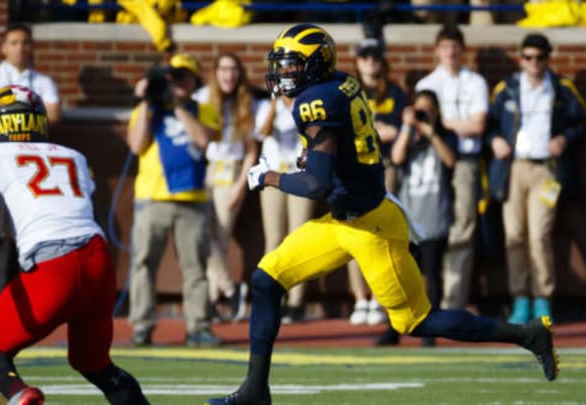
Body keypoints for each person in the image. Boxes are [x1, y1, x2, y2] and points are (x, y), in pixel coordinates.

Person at [204, 23, 558, 405]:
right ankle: (256, 391)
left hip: (371, 227)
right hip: (343, 220)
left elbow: (316, 186)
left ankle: (527, 334)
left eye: (291, 65)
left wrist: (268, 176)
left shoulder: (315, 102)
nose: (283, 73)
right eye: (283, 65)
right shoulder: (341, 82)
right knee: (266, 279)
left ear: (314, 65)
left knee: (415, 321)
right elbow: (338, 152)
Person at [0, 85, 149, 405]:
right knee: (96, 364)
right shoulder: (73, 157)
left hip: (53, 267)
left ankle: (20, 395)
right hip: (98, 260)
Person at [488, 33, 586, 323]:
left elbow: (581, 122)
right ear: (520, 59)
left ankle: (543, 297)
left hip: (546, 168)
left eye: (540, 58)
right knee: (514, 235)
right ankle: (520, 298)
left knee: (539, 234)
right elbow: (490, 124)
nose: (534, 63)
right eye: (528, 57)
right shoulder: (506, 88)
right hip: (513, 167)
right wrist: (495, 140)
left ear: (547, 59)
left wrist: (564, 139)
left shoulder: (561, 88)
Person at [127, 53, 222, 347]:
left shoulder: (203, 109)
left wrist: (179, 107)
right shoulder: (149, 110)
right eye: (171, 77)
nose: (176, 82)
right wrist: (146, 102)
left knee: (195, 267)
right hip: (152, 198)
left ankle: (198, 327)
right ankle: (142, 326)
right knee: (143, 264)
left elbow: (204, 139)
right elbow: (136, 144)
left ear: (194, 81)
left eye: (182, 76)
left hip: (191, 199)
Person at [415, 24, 489, 312]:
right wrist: (458, 126)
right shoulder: (427, 84)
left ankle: (452, 302)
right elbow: (422, 128)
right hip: (431, 162)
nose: (450, 53)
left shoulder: (475, 82)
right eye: (445, 47)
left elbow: (478, 126)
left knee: (462, 228)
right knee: (429, 230)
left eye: (455, 47)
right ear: (437, 51)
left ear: (462, 50)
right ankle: (428, 300)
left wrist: (442, 124)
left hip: (465, 161)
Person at [376, 89, 458, 347]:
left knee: (431, 275)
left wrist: (431, 131)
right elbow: (397, 157)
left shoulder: (443, 136)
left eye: (428, 110)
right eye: (419, 109)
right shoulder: (408, 136)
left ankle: (429, 330)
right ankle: (394, 328)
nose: (423, 114)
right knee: (400, 274)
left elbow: (450, 161)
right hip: (409, 220)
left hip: (434, 218)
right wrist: (408, 127)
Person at [193, 52, 258, 323]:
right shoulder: (202, 98)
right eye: (223, 69)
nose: (228, 75)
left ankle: (215, 300)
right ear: (215, 72)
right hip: (205, 170)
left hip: (231, 173)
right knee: (204, 235)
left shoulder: (246, 103)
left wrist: (241, 186)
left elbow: (251, 151)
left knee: (218, 235)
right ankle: (229, 291)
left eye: (233, 70)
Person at [348, 37, 408, 326]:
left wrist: (368, 132)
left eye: (375, 57)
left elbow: (395, 132)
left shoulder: (394, 92)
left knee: (381, 231)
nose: (371, 62)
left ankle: (378, 296)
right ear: (358, 62)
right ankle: (360, 298)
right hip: (353, 168)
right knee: (353, 232)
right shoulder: (348, 91)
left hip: (383, 167)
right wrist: (376, 130)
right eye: (365, 57)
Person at [256, 95, 316, 324]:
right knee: (273, 239)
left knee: (298, 236)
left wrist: (293, 105)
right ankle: (272, 296)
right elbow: (263, 131)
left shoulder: (306, 104)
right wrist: (274, 104)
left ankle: (296, 301)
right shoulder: (266, 105)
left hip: (299, 176)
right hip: (273, 176)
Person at [0, 23, 60, 124]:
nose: (20, 48)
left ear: (31, 47)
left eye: (25, 43)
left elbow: (53, 116)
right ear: (4, 48)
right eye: (14, 43)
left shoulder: (45, 81)